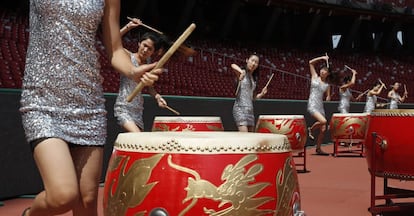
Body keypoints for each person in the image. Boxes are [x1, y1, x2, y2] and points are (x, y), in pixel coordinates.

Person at [19, 1, 162, 216]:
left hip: (87, 100)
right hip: (42, 99)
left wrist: (134, 72)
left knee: (87, 201)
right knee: (62, 195)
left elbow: (114, 49)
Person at [114, 24, 168, 132]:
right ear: (139, 43)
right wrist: (128, 27)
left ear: (153, 52)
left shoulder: (148, 63)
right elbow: (113, 42)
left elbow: (150, 87)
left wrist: (158, 97)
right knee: (137, 137)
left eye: (150, 49)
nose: (145, 50)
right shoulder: (128, 56)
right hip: (124, 107)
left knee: (134, 144)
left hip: (138, 109)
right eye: (144, 45)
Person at [307, 55, 339, 155]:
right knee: (323, 121)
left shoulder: (327, 85)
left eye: (325, 71)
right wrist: (322, 58)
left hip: (320, 106)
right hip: (312, 104)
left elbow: (328, 96)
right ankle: (310, 130)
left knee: (323, 129)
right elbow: (310, 62)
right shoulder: (314, 77)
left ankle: (318, 148)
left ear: (328, 74)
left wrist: (328, 97)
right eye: (322, 69)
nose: (322, 71)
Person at [231, 54, 267, 132]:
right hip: (240, 109)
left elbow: (253, 97)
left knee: (251, 138)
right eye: (252, 60)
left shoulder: (253, 79)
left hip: (250, 110)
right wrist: (241, 72)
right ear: (247, 60)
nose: (253, 63)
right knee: (245, 137)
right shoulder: (242, 72)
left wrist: (261, 94)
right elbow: (233, 65)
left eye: (256, 62)